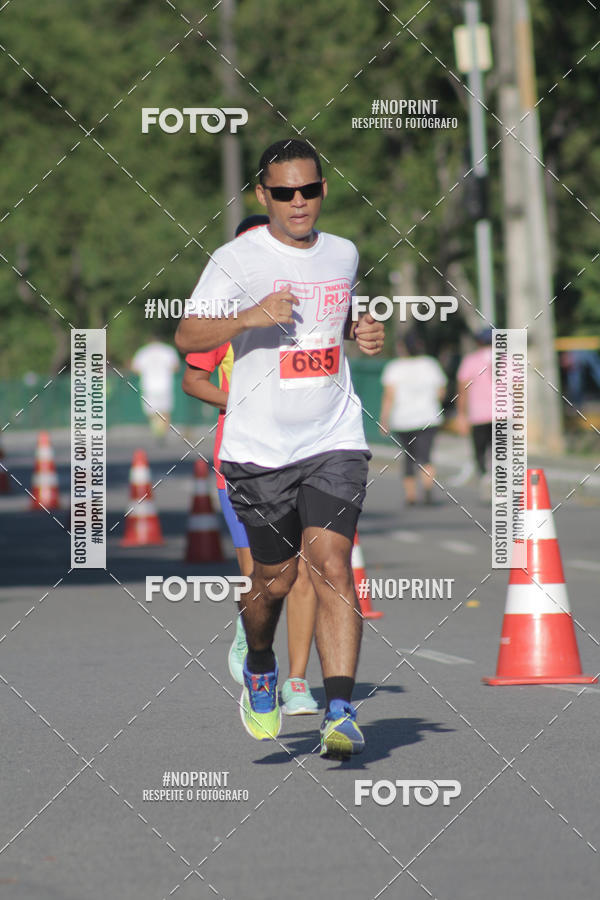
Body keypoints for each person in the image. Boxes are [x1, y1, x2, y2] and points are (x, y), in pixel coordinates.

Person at [175, 139, 384, 758]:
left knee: (332, 567)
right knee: (273, 579)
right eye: (285, 193)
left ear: (323, 189)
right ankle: (260, 664)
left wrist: (362, 331)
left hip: (333, 437)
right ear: (263, 195)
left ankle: (340, 710)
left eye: (310, 191)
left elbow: (334, 320)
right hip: (259, 450)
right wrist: (248, 316)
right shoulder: (237, 258)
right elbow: (188, 332)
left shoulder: (343, 253)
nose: (299, 203)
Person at [182, 214, 319, 716]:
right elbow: (193, 380)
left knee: (306, 573)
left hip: (308, 455)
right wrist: (237, 401)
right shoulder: (225, 319)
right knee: (268, 576)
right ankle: (257, 653)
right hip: (240, 460)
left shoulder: (307, 312)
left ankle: (299, 681)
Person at [379, 332, 447, 505]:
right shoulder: (430, 364)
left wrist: (384, 419)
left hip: (403, 419)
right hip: (428, 417)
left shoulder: (394, 367)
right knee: (426, 455)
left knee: (408, 457)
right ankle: (427, 489)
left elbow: (389, 396)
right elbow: (441, 391)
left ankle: (410, 495)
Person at [456, 328, 493, 499]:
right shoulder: (508, 359)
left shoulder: (471, 360)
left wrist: (461, 414)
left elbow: (463, 389)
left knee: (480, 450)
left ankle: (486, 477)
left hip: (479, 414)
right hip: (504, 413)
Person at [131, 337, 180, 439]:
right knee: (165, 411)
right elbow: (175, 367)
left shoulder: (143, 352)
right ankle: (163, 433)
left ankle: (157, 431)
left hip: (149, 386)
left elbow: (135, 368)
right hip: (165, 385)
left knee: (151, 412)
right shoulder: (168, 350)